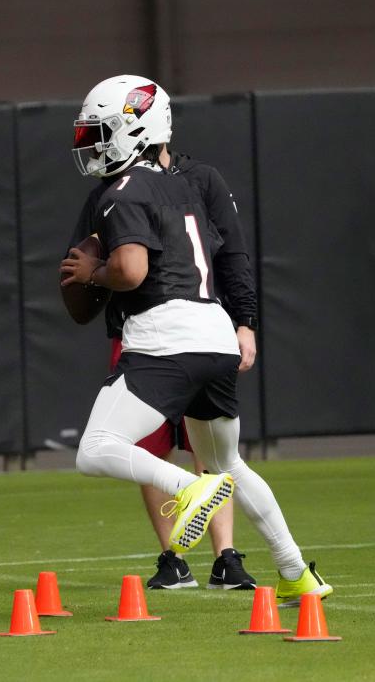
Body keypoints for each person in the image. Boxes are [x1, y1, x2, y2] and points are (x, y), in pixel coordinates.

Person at [61, 75, 332, 607]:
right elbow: (224, 255)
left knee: (95, 449)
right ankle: (297, 571)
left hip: (165, 336)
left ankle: (189, 488)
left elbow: (133, 270)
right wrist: (243, 319)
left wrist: (92, 275)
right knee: (230, 464)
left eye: (101, 133)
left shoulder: (123, 189)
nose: (93, 145)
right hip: (215, 335)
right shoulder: (188, 184)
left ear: (134, 130)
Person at [63, 81, 258, 592]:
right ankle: (174, 553)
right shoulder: (109, 189)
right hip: (143, 331)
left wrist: (245, 321)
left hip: (195, 323)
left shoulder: (202, 181)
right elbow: (88, 264)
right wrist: (86, 277)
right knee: (149, 446)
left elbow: (231, 254)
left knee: (208, 448)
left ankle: (227, 555)